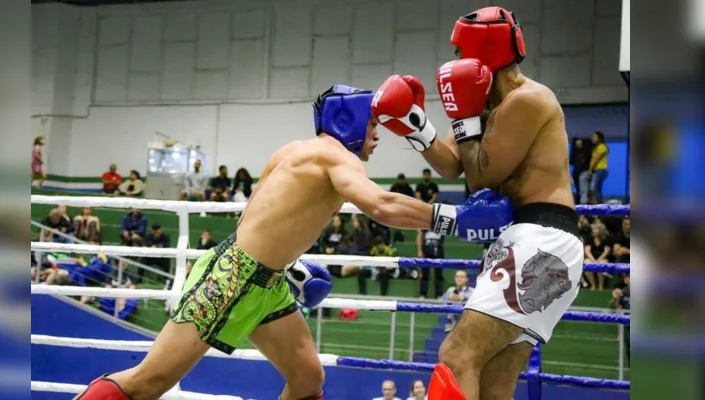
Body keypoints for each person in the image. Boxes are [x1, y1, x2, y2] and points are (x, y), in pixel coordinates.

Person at [75, 84, 513, 400]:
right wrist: (458, 218)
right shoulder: (334, 155)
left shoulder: (291, 150)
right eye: (375, 124)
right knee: (149, 382)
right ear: (350, 121)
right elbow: (379, 205)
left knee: (308, 380)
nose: (378, 135)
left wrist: (287, 265)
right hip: (232, 280)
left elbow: (256, 214)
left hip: (264, 281)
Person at [371, 7, 583, 400]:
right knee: (492, 380)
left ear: (481, 51)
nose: (454, 60)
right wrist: (417, 124)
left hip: (541, 240)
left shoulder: (529, 99)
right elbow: (455, 165)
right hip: (532, 243)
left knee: (456, 353)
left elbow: (482, 176)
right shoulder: (484, 104)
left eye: (458, 51)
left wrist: (466, 119)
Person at [588, 131, 609, 203]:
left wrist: (590, 170)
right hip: (598, 171)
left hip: (600, 170)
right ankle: (600, 206)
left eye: (594, 137)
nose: (592, 138)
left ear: (599, 138)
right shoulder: (596, 148)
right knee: (597, 189)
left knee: (594, 189)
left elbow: (596, 159)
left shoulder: (602, 147)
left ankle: (600, 206)